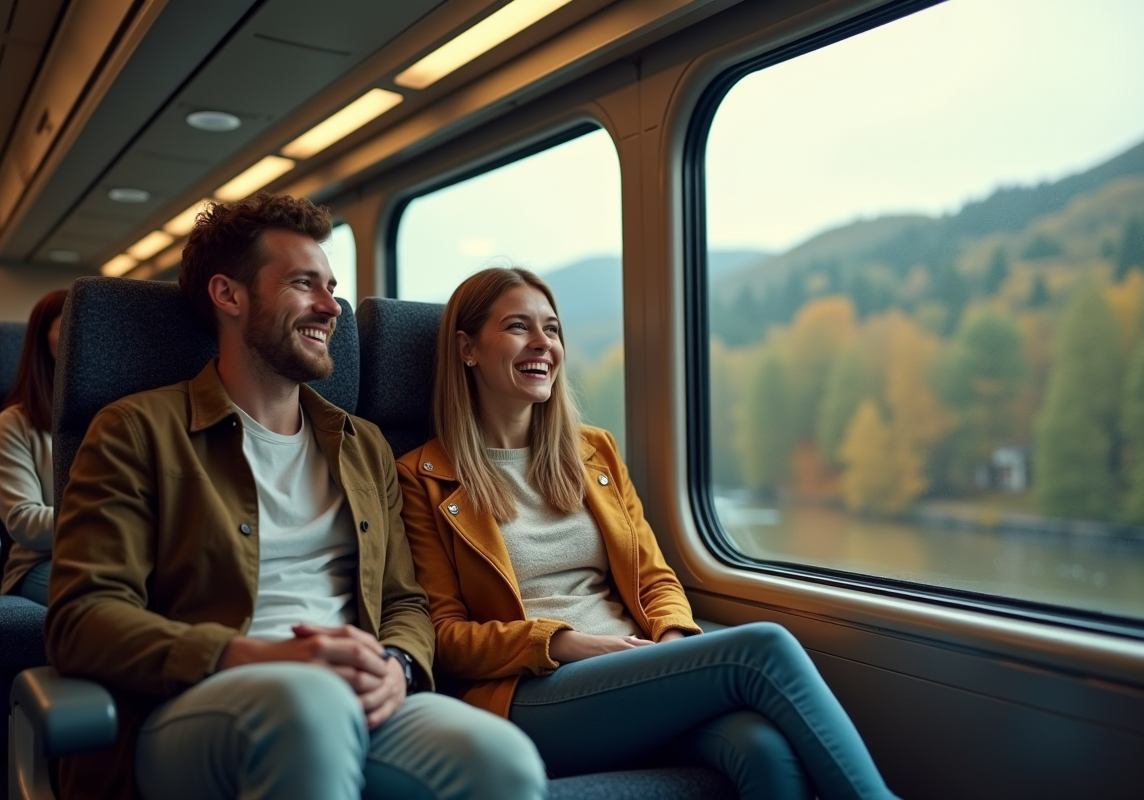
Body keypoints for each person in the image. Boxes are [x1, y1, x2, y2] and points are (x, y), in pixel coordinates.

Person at [45, 196, 547, 800]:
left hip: (353, 694)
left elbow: (404, 602)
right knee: (306, 709)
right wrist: (251, 654)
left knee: (502, 761)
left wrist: (400, 666)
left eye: (331, 287)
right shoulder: (134, 430)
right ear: (228, 296)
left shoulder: (363, 445)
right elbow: (82, 620)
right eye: (303, 284)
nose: (331, 307)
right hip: (189, 702)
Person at [397, 266, 901, 800]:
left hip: (633, 666)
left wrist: (670, 642)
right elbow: (444, 637)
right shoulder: (420, 477)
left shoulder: (595, 453)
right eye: (519, 327)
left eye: (553, 329)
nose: (543, 344)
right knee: (763, 646)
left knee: (761, 749)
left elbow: (656, 578)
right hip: (528, 691)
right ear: (467, 348)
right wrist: (568, 644)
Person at [0, 289, 66, 605]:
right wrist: (102, 517)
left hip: (120, 556)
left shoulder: (120, 413)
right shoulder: (14, 423)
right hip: (41, 563)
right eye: (69, 328)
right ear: (43, 340)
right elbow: (23, 520)